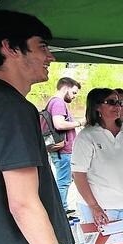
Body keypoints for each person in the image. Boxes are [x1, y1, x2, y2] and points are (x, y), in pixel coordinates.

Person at [0, 9, 86, 244]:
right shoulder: (11, 107)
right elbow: (23, 203)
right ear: (10, 48)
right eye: (42, 47)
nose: (50, 57)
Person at [71, 88, 123, 226]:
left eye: (120, 102)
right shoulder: (86, 136)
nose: (118, 106)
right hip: (101, 208)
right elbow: (78, 175)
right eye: (111, 102)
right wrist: (94, 206)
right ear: (97, 107)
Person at [47, 76, 82, 215]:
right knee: (63, 181)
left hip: (61, 150)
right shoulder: (58, 103)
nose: (74, 96)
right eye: (73, 92)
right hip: (64, 150)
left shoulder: (52, 101)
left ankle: (63, 207)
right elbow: (59, 124)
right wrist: (80, 123)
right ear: (65, 88)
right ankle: (61, 210)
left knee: (65, 180)